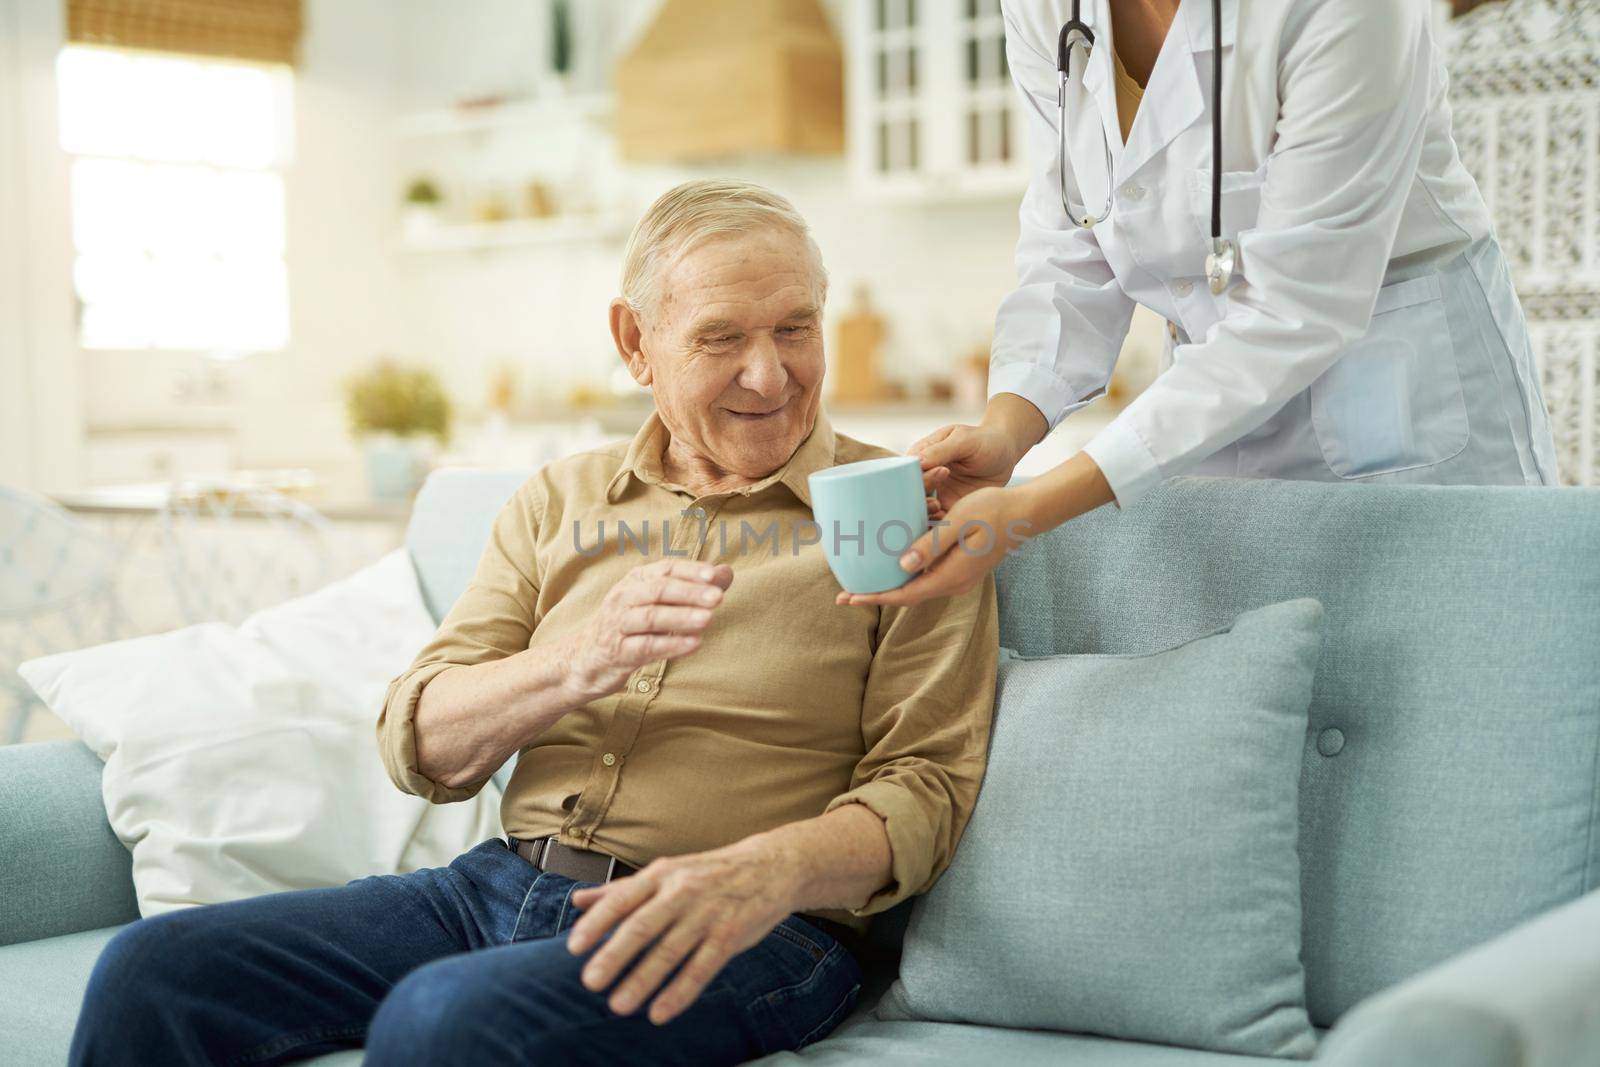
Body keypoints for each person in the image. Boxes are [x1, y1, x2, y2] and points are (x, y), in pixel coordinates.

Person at [69, 180, 998, 1066]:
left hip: (747, 921)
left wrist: (766, 871)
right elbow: (419, 739)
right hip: (500, 885)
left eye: (795, 327)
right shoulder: (559, 499)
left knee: (447, 1023)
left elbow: (923, 787)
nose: (771, 371)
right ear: (636, 341)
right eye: (721, 338)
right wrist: (576, 662)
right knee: (153, 972)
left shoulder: (903, 512)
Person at [838, 0, 1559, 610]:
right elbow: (1071, 235)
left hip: (1400, 406)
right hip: (1206, 422)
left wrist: (1034, 506)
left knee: (1452, 699)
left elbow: (1294, 309)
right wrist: (1005, 429)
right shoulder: (1045, 8)